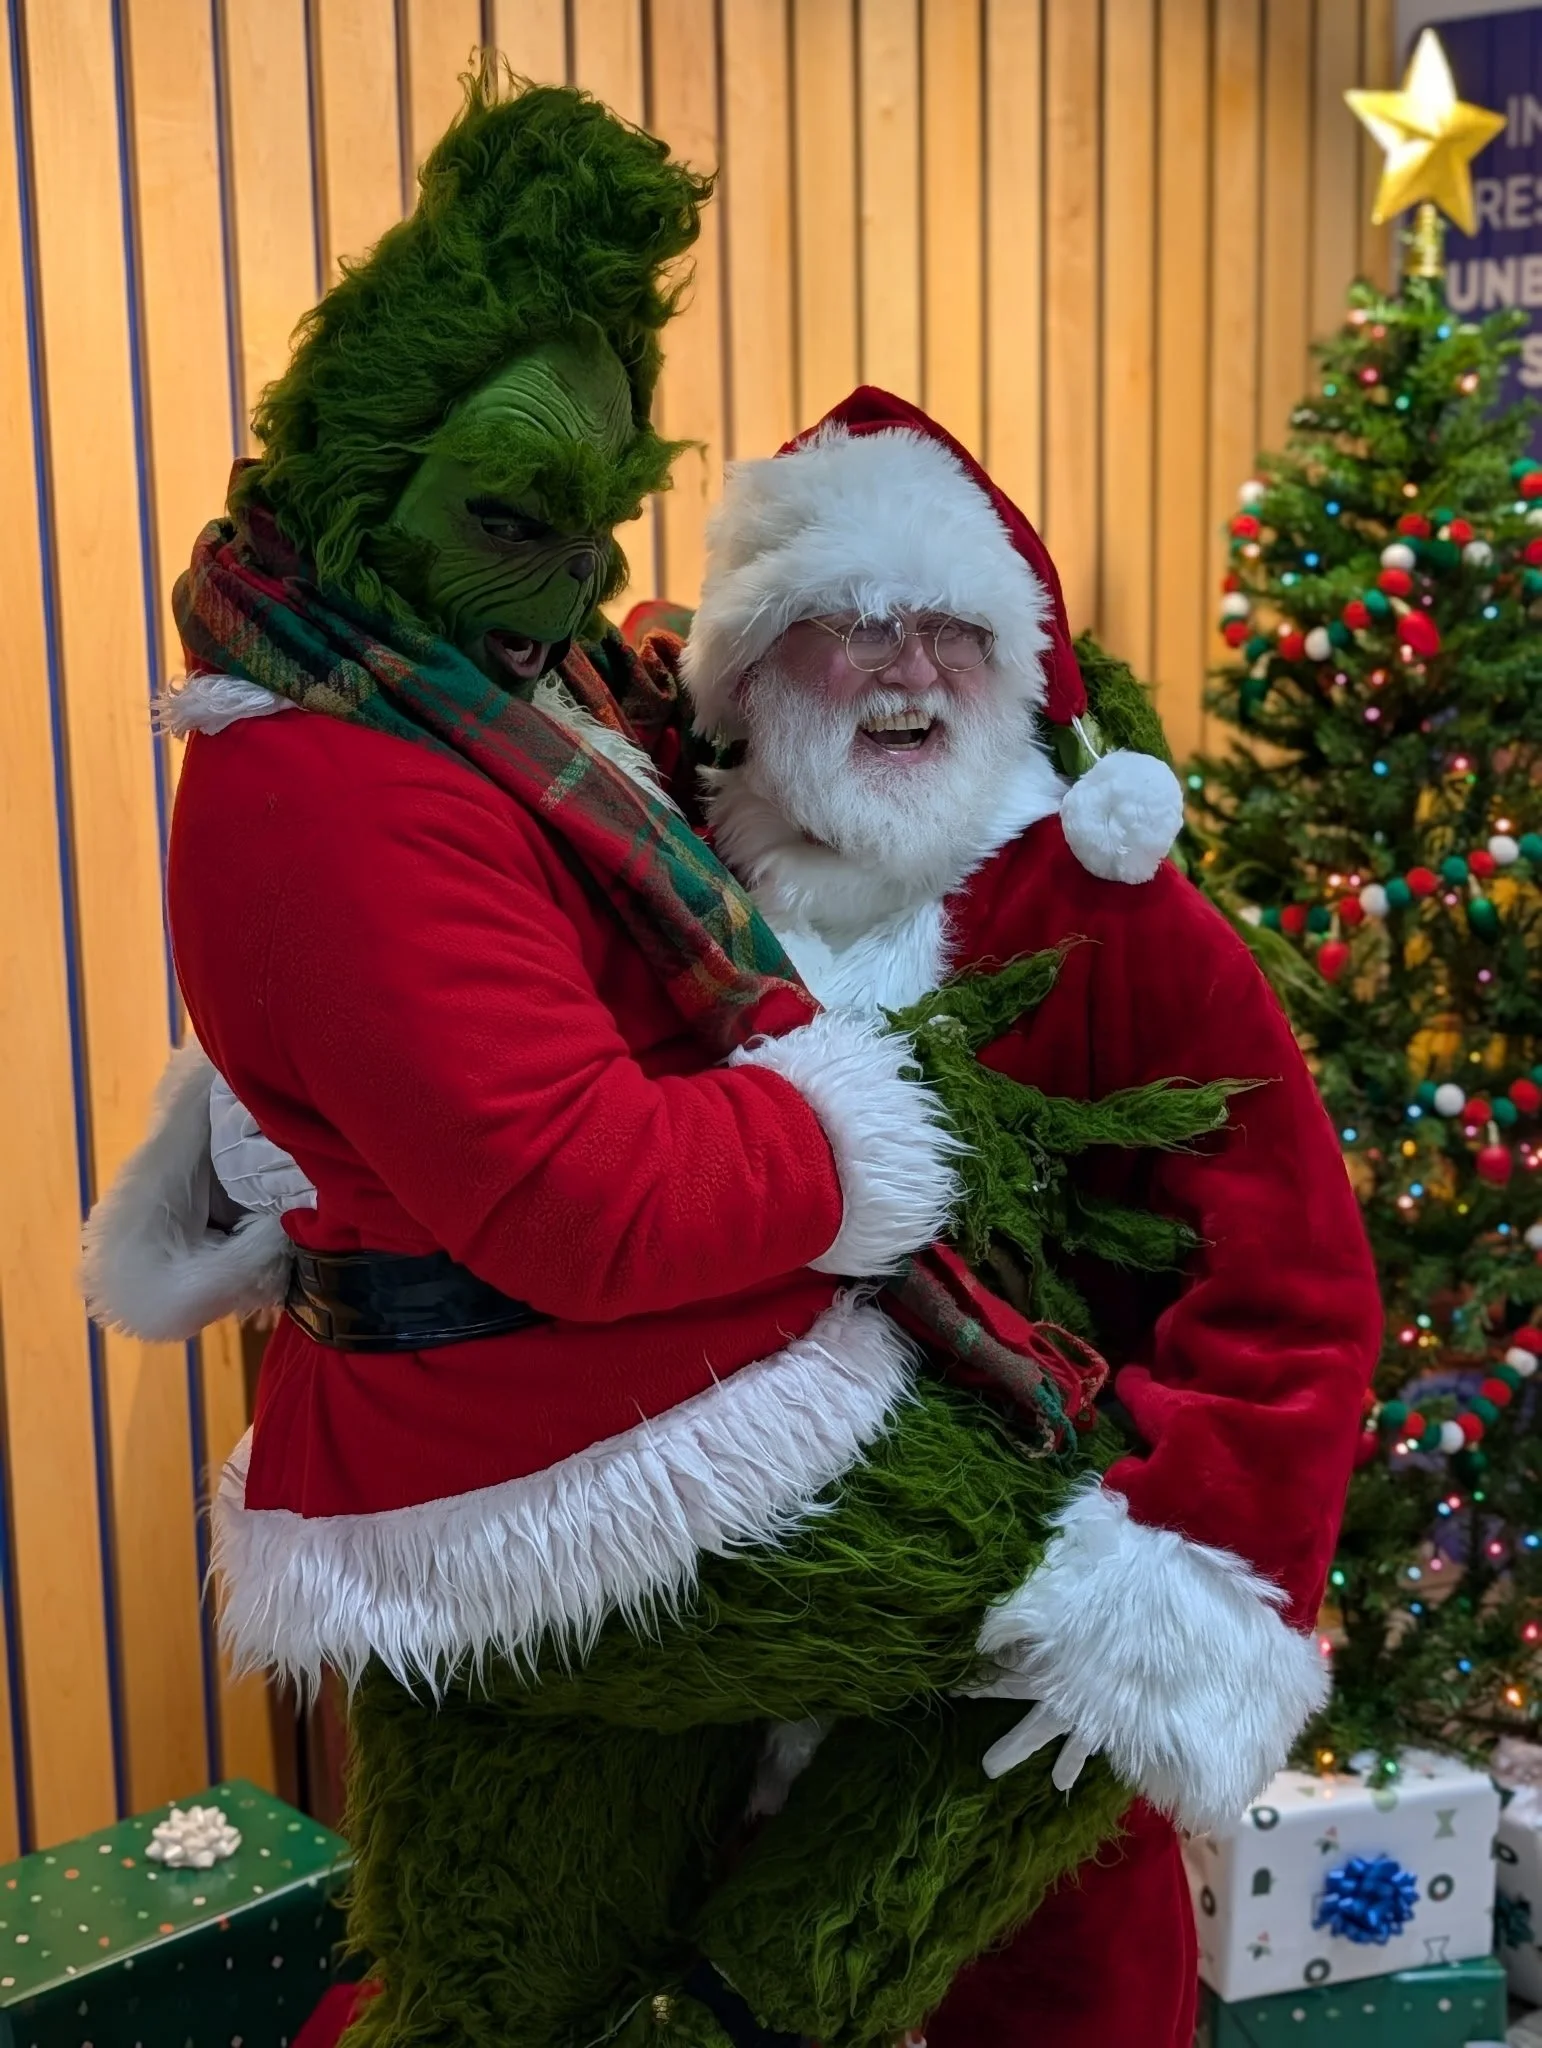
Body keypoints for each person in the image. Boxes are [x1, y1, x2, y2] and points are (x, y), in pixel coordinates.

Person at [84, 71, 1338, 2048]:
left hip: (958, 1641)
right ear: (743, 670)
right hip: (631, 1554)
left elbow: (1290, 1288)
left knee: (1036, 1852)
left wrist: (1185, 1550)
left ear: (1025, 664)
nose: (905, 668)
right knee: (509, 1964)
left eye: (951, 628)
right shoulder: (626, 801)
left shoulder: (1098, 911)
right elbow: (479, 1092)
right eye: (844, 627)